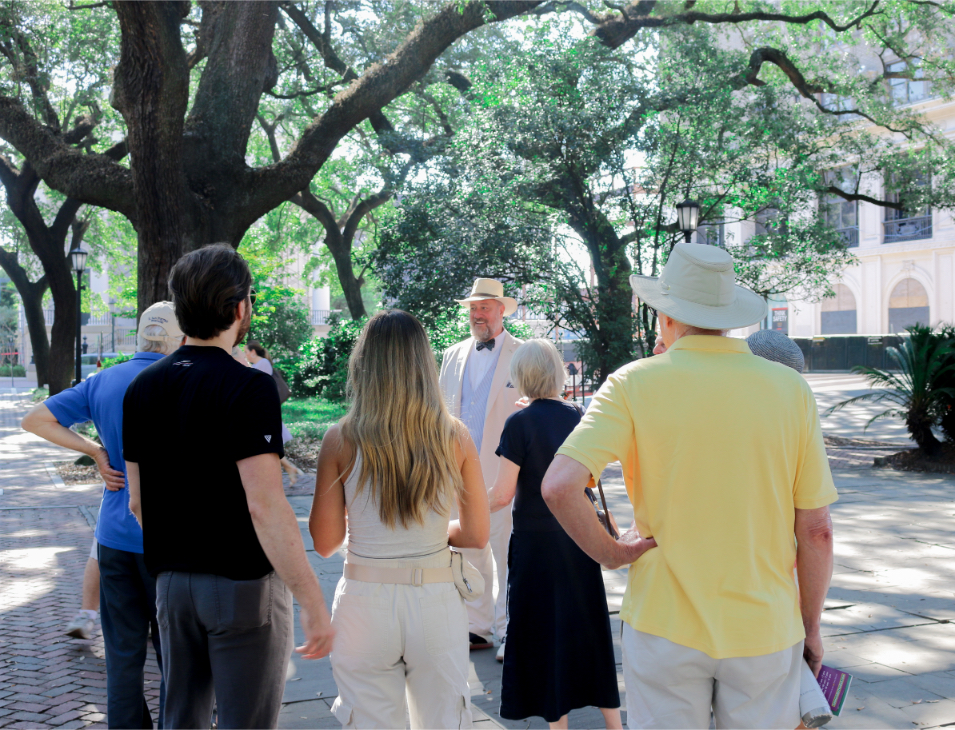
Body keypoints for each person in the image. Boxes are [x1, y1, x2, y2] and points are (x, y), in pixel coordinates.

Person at [542, 242, 837, 730]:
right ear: (727, 315)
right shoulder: (790, 391)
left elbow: (558, 486)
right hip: (763, 626)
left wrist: (611, 553)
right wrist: (811, 626)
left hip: (664, 624)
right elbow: (817, 531)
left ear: (665, 317)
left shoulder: (631, 384)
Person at [123, 244, 334, 730]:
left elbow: (138, 502)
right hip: (241, 587)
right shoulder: (249, 386)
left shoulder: (141, 388)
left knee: (181, 720)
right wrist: (312, 599)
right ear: (241, 309)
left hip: (171, 585)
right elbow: (265, 505)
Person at [310, 310, 490, 729]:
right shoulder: (455, 436)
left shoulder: (340, 438)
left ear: (363, 364)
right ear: (424, 365)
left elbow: (324, 542)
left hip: (364, 599)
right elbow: (477, 535)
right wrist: (431, 534)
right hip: (435, 600)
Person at [22, 300, 185, 729]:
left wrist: (94, 450)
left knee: (123, 653)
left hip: (113, 537)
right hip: (170, 539)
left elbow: (35, 419)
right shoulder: (182, 379)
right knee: (174, 653)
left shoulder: (103, 380)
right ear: (180, 335)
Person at [486, 339, 621, 729]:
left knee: (542, 632)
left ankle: (556, 724)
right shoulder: (578, 414)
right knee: (589, 627)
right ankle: (614, 723)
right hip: (578, 537)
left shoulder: (518, 424)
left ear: (520, 377)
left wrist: (460, 510)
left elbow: (502, 494)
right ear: (557, 372)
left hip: (535, 545)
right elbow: (591, 476)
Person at [439, 277, 523, 655]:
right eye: (473, 308)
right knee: (468, 550)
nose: (477, 314)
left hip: (505, 472)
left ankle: (510, 631)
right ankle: (478, 627)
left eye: (484, 307)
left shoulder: (523, 354)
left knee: (508, 553)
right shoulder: (452, 354)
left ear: (502, 310)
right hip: (457, 472)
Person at [244, 340, 305, 483]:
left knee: (268, 444)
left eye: (246, 351)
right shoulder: (255, 365)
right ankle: (289, 469)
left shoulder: (263, 363)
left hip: (264, 409)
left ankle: (286, 470)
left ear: (253, 352)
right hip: (259, 409)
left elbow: (256, 386)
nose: (246, 355)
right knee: (268, 444)